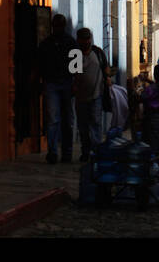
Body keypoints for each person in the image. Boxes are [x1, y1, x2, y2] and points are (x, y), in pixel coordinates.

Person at [37, 13, 77, 164]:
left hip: (66, 82)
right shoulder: (46, 44)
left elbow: (77, 67)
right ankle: (53, 151)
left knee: (67, 119)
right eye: (56, 25)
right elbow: (40, 64)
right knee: (53, 118)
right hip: (51, 83)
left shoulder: (71, 43)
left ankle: (66, 152)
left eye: (59, 25)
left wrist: (75, 84)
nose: (57, 28)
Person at [72, 27, 111, 161]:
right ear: (78, 40)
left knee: (95, 123)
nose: (86, 41)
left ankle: (95, 152)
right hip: (81, 97)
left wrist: (107, 78)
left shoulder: (98, 52)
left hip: (96, 95)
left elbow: (106, 68)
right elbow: (75, 76)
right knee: (83, 126)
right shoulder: (76, 54)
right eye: (83, 39)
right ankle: (85, 151)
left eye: (88, 38)